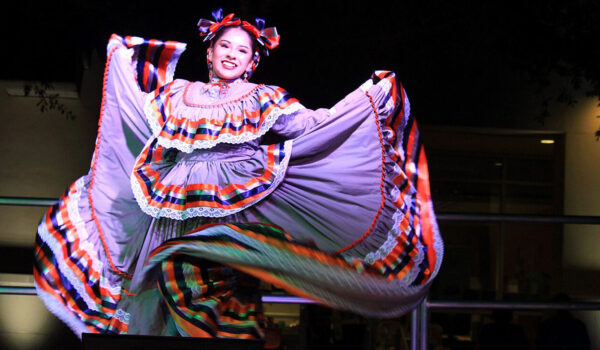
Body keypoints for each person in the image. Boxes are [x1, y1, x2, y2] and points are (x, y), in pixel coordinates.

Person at [33, 9, 443, 341]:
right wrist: (122, 61)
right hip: (174, 205)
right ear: (209, 53)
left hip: (230, 208)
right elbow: (138, 111)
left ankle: (237, 332)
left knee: (206, 279)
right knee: (163, 285)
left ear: (251, 62)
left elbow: (310, 125)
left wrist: (364, 100)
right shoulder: (177, 95)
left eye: (241, 50)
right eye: (224, 45)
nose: (231, 54)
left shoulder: (263, 98)